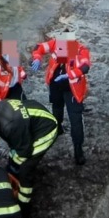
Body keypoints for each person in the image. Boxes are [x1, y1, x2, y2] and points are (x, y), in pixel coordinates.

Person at [0, 93, 58, 209]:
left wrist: (13, 167)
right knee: (15, 158)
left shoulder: (10, 125)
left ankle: (24, 204)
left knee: (25, 168)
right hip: (34, 120)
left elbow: (24, 151)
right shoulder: (0, 107)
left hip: (46, 130)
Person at [31, 36, 92, 166]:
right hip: (55, 86)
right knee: (57, 107)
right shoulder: (56, 44)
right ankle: (58, 128)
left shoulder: (81, 50)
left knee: (75, 119)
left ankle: (78, 149)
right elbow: (39, 47)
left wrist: (69, 75)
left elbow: (85, 67)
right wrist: (37, 57)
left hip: (72, 90)